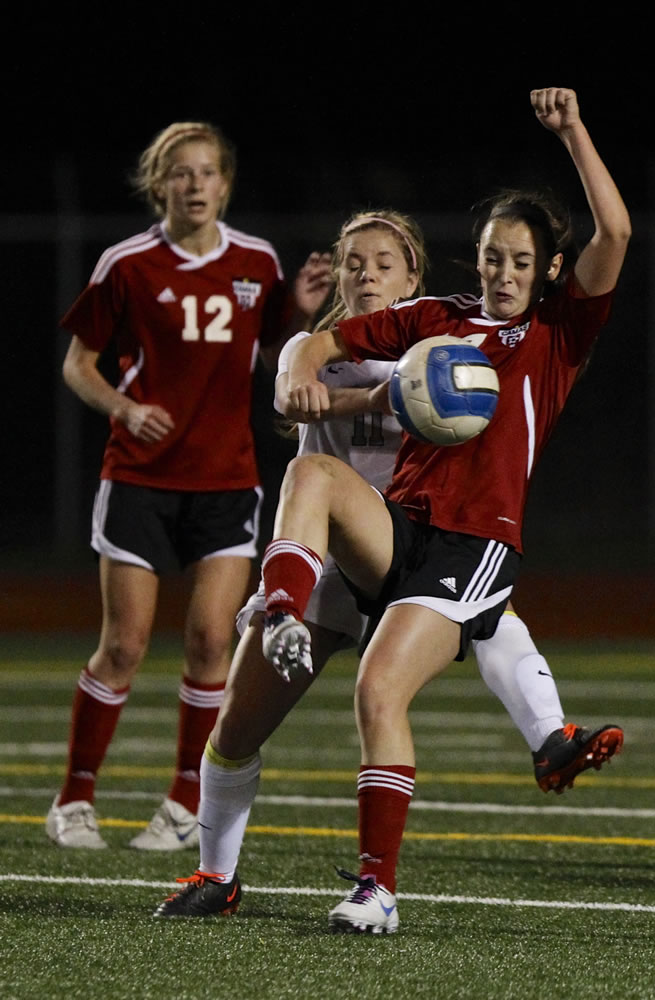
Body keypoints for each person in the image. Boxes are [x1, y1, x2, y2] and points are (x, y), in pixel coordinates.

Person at [153, 200, 623, 920]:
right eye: (352, 263)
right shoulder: (358, 341)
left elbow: (483, 482)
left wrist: (381, 391)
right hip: (324, 559)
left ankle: (539, 743)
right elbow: (297, 375)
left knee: (460, 622)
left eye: (382, 263)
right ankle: (216, 876)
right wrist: (307, 380)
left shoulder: (445, 341)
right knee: (236, 727)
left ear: (413, 275)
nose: (365, 275)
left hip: (421, 548)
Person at [254, 86, 630, 934]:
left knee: (378, 685)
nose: (500, 273)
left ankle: (377, 891)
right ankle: (277, 604)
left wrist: (571, 131)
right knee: (310, 478)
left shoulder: (556, 336)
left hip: (475, 543)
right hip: (404, 526)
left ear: (547, 273)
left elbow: (615, 235)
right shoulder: (441, 321)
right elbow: (336, 337)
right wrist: (297, 368)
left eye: (519, 262)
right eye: (492, 257)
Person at [46, 120, 331, 850]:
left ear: (225, 185)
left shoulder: (257, 260)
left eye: (208, 172)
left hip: (227, 479)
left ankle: (182, 802)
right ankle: (74, 799)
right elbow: (80, 363)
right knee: (124, 646)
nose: (195, 184)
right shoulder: (128, 263)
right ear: (159, 183)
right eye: (181, 172)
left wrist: (295, 311)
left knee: (211, 643)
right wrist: (124, 407)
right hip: (139, 477)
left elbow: (269, 359)